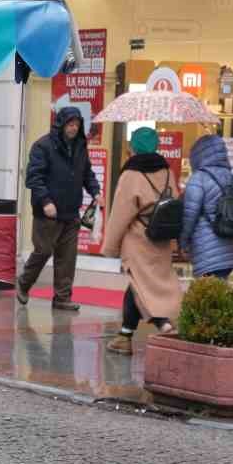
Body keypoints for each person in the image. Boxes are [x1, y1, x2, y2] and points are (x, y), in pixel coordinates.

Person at [102, 127, 183, 354]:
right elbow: (173, 203)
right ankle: (124, 336)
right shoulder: (166, 170)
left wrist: (110, 247)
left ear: (133, 147)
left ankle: (163, 324)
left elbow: (120, 213)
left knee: (140, 285)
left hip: (138, 239)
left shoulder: (131, 174)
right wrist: (174, 242)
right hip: (161, 238)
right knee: (140, 284)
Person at [18, 108, 99, 311]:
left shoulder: (81, 146)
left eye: (77, 125)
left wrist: (96, 191)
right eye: (70, 124)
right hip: (48, 213)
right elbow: (34, 178)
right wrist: (45, 201)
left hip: (71, 211)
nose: (73, 128)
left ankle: (62, 297)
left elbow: (87, 172)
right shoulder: (43, 146)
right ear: (61, 124)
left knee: (67, 257)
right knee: (43, 251)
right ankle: (24, 283)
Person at [181, 134, 233, 282]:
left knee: (208, 292)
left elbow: (189, 217)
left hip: (206, 248)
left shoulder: (198, 179)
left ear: (198, 155)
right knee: (218, 285)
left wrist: (183, 243)